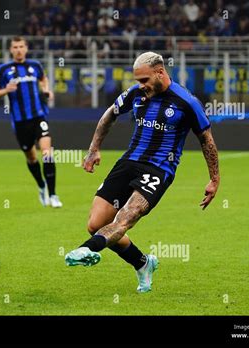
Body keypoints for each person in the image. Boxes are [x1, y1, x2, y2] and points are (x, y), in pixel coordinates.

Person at [65, 52, 220, 293]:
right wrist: (94, 148)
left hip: (159, 169)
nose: (141, 85)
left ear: (160, 72)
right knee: (96, 224)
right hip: (128, 162)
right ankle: (143, 263)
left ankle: (86, 249)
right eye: (138, 80)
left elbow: (206, 140)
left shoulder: (186, 102)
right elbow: (110, 114)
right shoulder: (136, 94)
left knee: (125, 218)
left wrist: (214, 179)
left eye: (144, 80)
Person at [0, 36, 62, 208]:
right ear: (11, 50)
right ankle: (41, 185)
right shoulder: (4, 69)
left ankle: (53, 195)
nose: (18, 50)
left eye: (21, 46)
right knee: (31, 158)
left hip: (39, 117)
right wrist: (5, 90)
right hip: (20, 122)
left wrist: (47, 90)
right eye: (15, 47)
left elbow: (44, 79)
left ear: (26, 48)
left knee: (47, 152)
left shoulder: (35, 65)